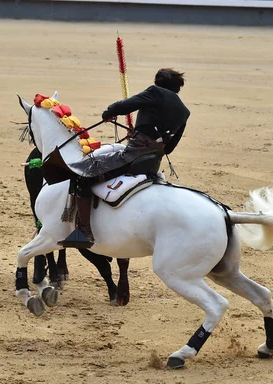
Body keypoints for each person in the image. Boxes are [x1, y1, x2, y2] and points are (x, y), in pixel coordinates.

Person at [60, 68, 191, 249]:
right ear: (178, 88)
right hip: (152, 163)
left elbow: (123, 107)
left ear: (157, 83)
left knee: (83, 174)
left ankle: (85, 232)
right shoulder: (184, 112)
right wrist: (141, 133)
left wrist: (109, 113)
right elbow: (169, 148)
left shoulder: (155, 92)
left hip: (131, 157)